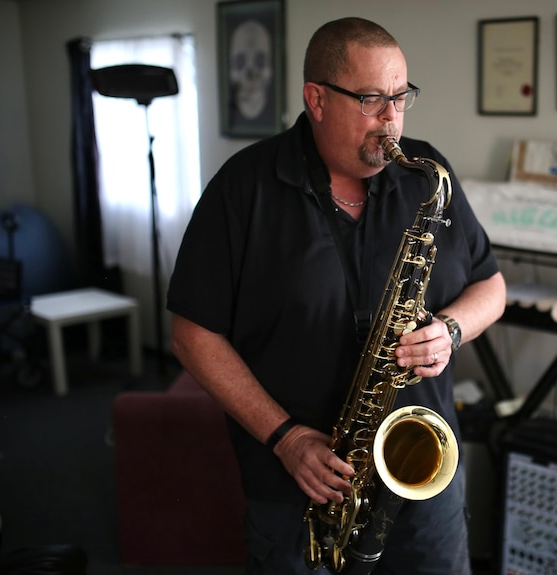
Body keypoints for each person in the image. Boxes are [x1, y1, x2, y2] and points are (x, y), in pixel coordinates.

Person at [167, 16, 506, 575]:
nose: (392, 119)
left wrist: (450, 329)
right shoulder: (242, 188)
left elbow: (490, 286)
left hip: (419, 474)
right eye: (373, 99)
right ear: (317, 99)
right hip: (301, 487)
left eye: (402, 97)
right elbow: (192, 333)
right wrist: (286, 437)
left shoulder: (428, 176)